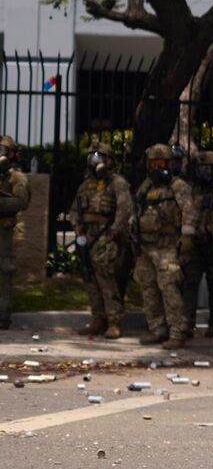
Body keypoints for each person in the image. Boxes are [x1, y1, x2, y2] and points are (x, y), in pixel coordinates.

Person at [130, 143, 197, 348]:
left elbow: (189, 210)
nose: (158, 168)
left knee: (169, 287)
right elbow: (135, 208)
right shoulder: (146, 186)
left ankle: (177, 332)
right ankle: (157, 329)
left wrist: (187, 236)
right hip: (146, 247)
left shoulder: (178, 186)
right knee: (148, 287)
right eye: (154, 164)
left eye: (162, 163)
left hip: (167, 246)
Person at [68, 142, 132, 339]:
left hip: (106, 236)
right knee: (90, 281)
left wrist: (114, 231)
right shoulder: (85, 184)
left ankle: (114, 322)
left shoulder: (117, 183)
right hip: (86, 237)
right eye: (92, 157)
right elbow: (74, 210)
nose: (95, 160)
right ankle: (98, 319)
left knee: (107, 280)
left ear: (109, 160)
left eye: (99, 156)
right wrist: (77, 226)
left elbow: (124, 209)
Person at [179, 149, 213, 340]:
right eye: (201, 168)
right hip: (196, 244)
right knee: (190, 282)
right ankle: (187, 323)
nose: (204, 172)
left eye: (208, 168)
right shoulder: (193, 190)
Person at [0, 135, 29, 330]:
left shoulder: (16, 177)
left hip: (4, 233)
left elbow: (21, 202)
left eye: (2, 151)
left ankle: (3, 316)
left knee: (3, 273)